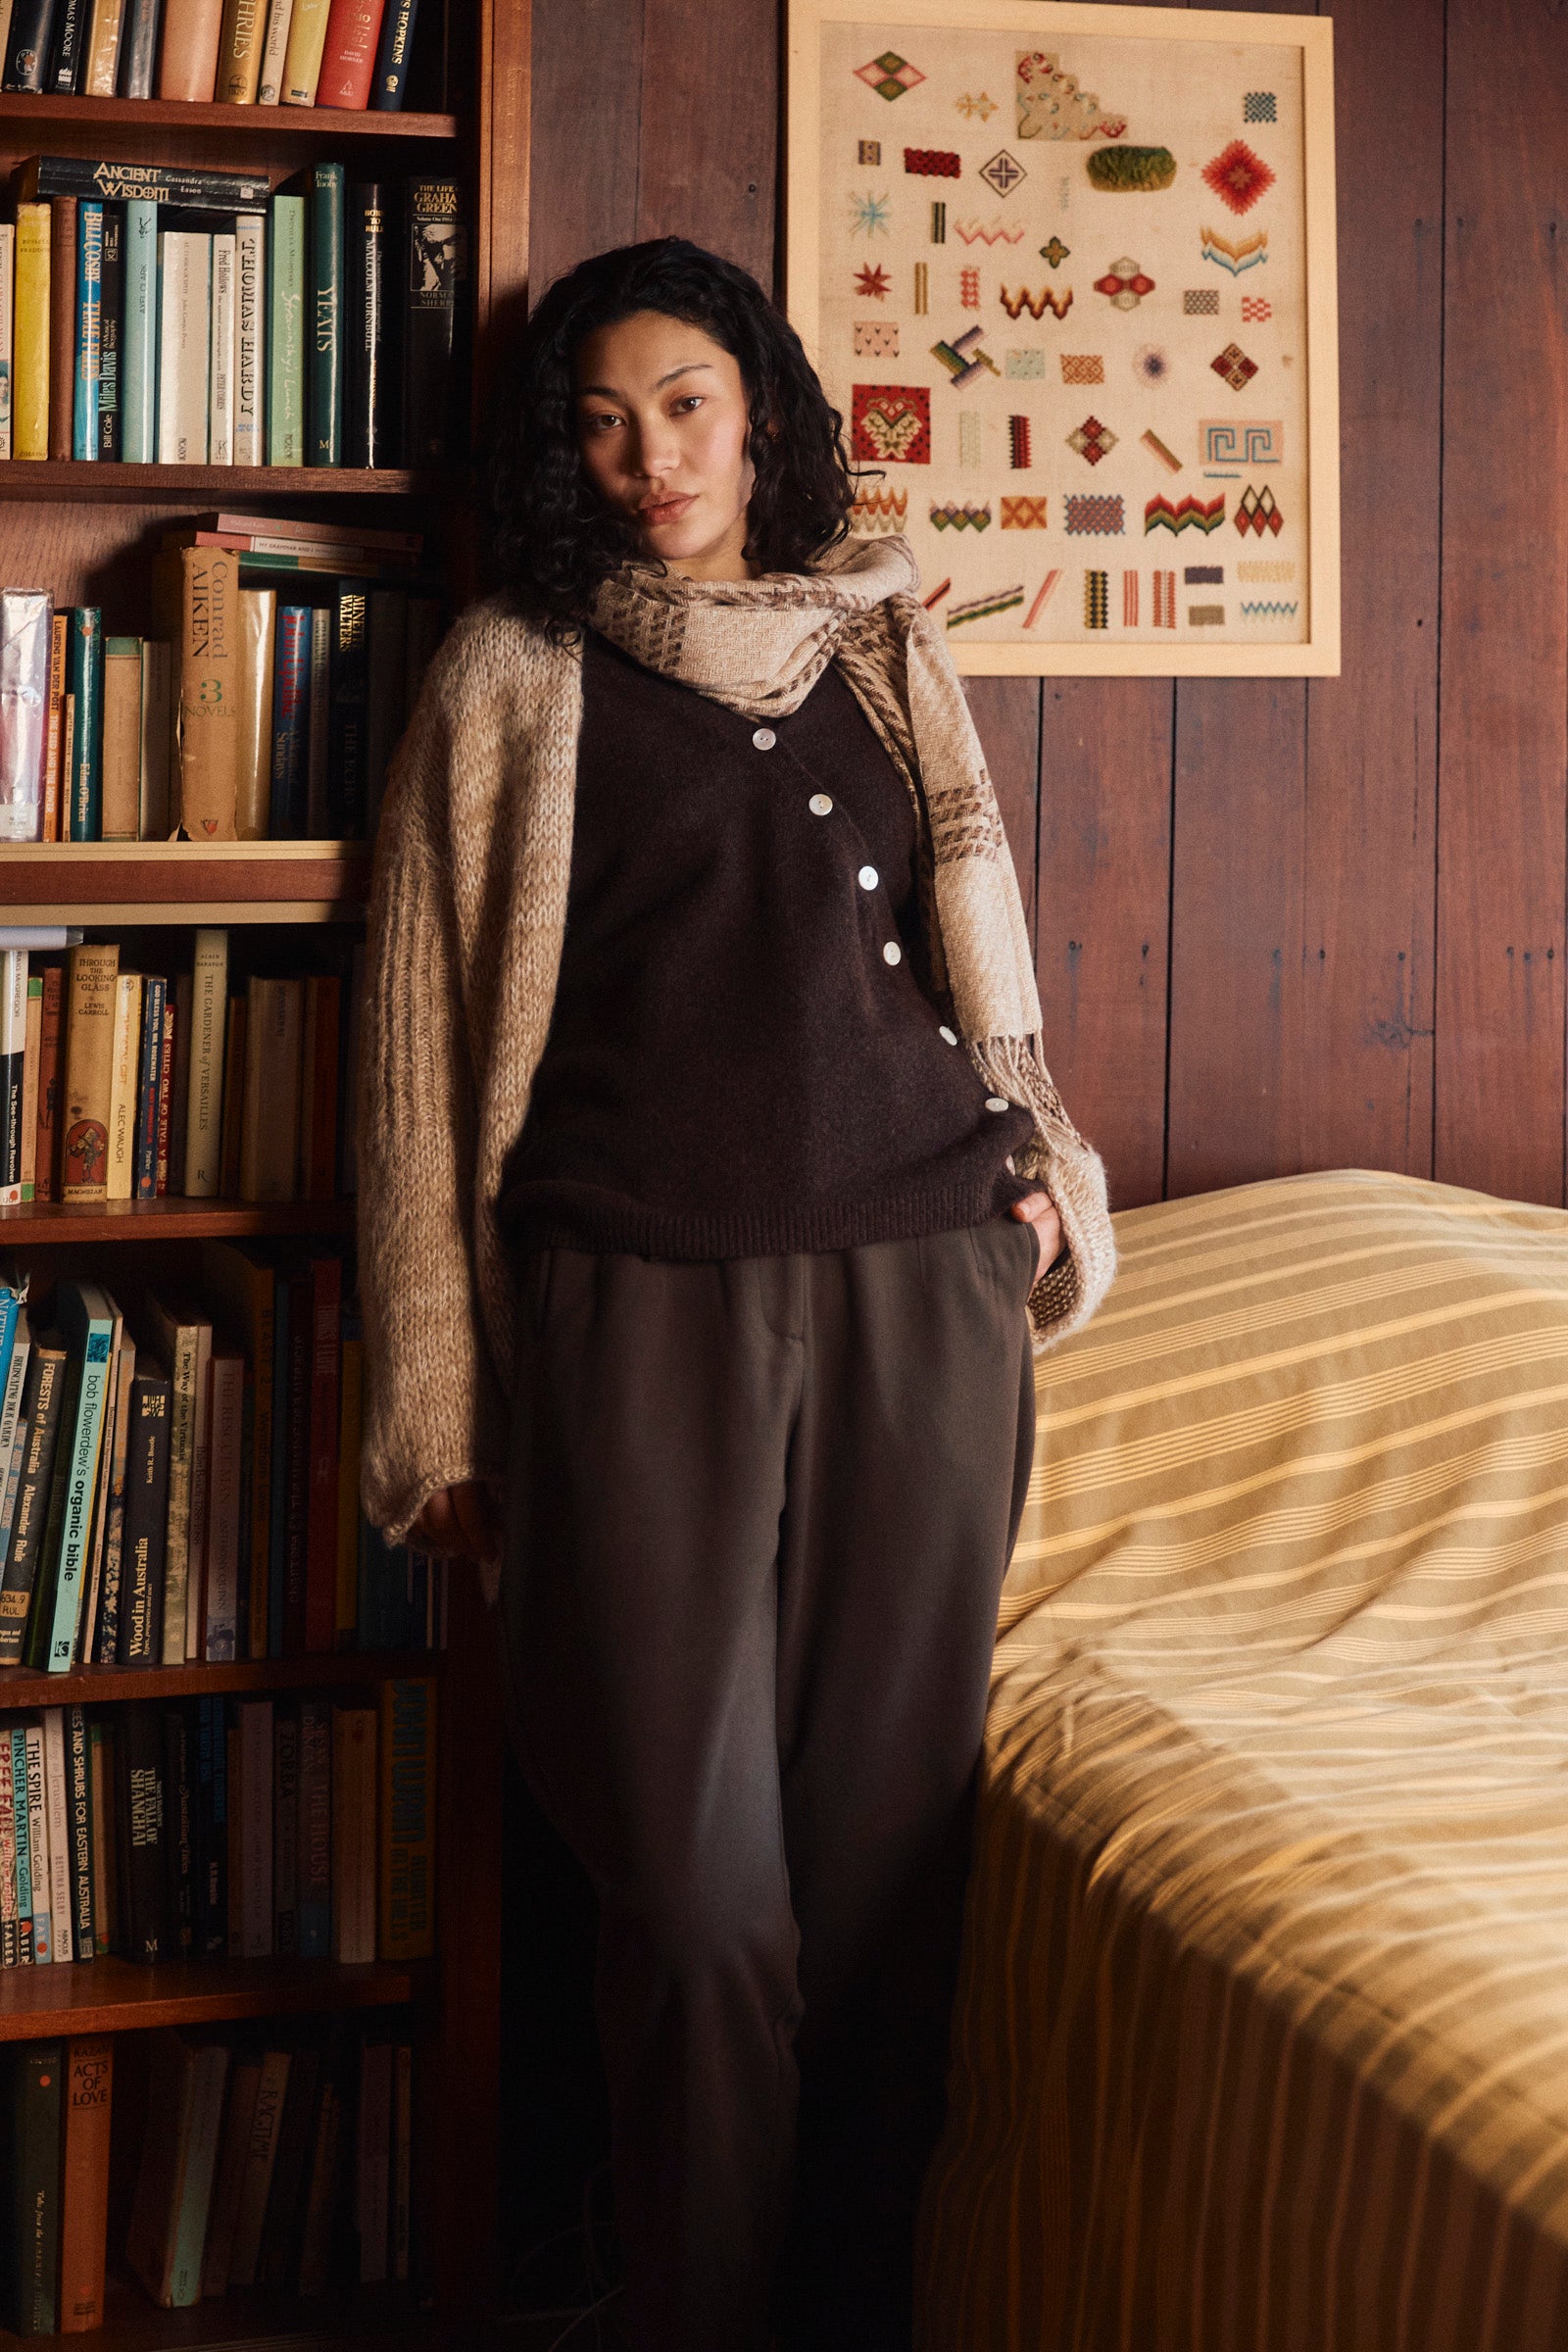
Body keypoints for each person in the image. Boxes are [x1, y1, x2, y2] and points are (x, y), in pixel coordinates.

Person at [356, 235, 1115, 2352]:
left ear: (759, 410)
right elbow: (417, 1057)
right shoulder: (513, 672)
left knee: (882, 1897)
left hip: (920, 1292)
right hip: (633, 1312)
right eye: (603, 422)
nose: (651, 458)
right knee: (692, 1904)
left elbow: (981, 949)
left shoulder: (884, 637)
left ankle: (846, 2314)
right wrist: (438, 1399)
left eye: (685, 405)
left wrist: (1036, 1188)